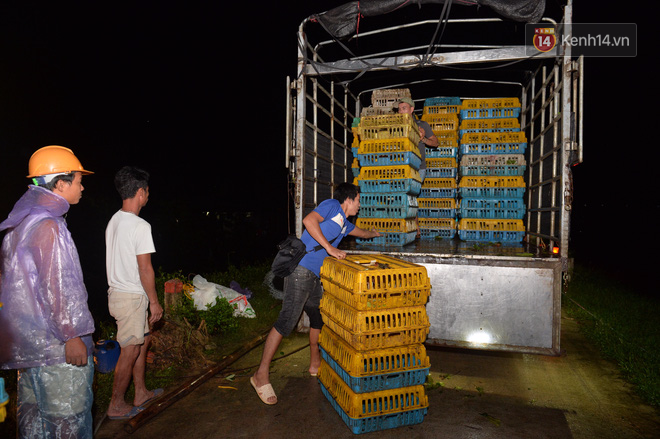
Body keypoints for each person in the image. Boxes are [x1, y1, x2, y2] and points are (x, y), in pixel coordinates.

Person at [251, 182, 381, 405]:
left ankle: (314, 364)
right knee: (287, 321)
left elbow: (362, 232)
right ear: (348, 199)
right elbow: (309, 221)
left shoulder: (344, 224)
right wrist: (330, 249)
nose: (360, 205)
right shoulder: (332, 206)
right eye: (358, 200)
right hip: (301, 271)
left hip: (316, 277)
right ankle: (260, 375)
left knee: (318, 319)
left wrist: (374, 233)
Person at [0, 145, 96, 438]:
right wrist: (73, 335)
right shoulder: (50, 226)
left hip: (28, 351)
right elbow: (60, 287)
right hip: (57, 352)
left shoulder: (18, 226)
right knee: (67, 423)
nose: (82, 187)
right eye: (79, 181)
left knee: (33, 424)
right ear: (61, 184)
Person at [105, 166, 163, 419]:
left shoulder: (114, 220)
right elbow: (145, 268)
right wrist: (155, 302)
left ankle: (140, 392)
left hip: (120, 294)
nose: (148, 195)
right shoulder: (140, 225)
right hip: (130, 297)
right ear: (140, 192)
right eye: (147, 191)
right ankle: (116, 404)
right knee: (130, 349)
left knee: (143, 340)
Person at [397, 97, 440, 183]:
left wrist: (423, 139)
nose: (401, 111)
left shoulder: (422, 125)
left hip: (419, 168)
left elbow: (436, 143)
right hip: (401, 167)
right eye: (399, 109)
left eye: (404, 108)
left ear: (412, 109)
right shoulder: (395, 127)